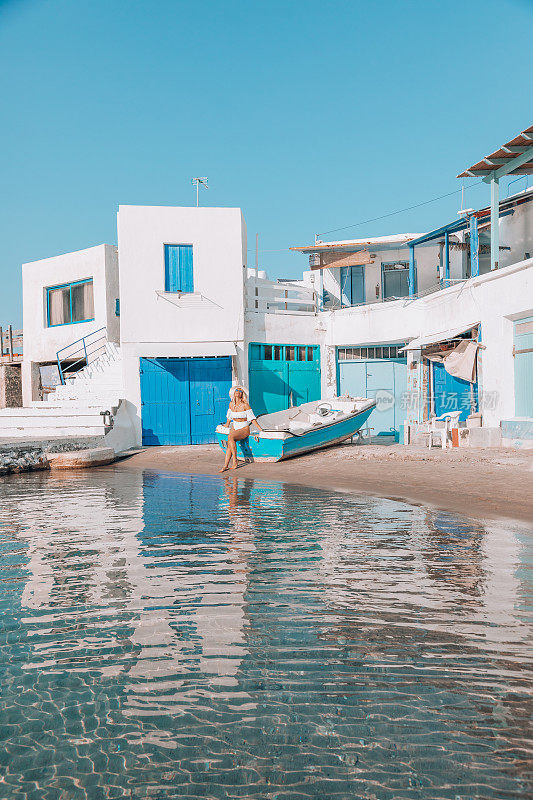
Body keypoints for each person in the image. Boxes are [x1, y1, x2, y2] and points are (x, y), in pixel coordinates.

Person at [219, 386, 263, 472]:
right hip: (235, 426)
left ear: (242, 394)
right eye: (236, 391)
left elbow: (252, 419)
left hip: (244, 428)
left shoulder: (245, 405)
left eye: (239, 391)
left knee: (231, 437)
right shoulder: (231, 404)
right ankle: (225, 465)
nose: (237, 392)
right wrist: (227, 425)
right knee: (229, 443)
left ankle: (235, 461)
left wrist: (260, 429)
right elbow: (229, 416)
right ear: (234, 394)